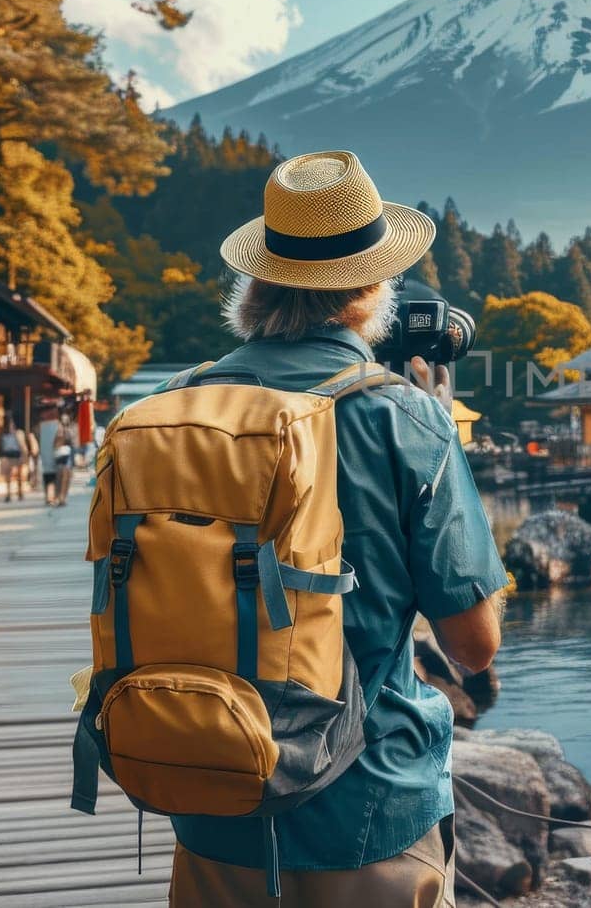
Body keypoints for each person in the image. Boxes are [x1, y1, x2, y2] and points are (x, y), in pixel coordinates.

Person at [166, 150, 508, 907]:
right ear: (370, 291)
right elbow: (473, 644)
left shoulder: (176, 405)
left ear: (257, 281)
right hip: (367, 810)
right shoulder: (404, 417)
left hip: (208, 797)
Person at [0, 412, 29, 502]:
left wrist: (24, 455)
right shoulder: (3, 434)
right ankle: (8, 493)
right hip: (7, 455)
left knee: (19, 475)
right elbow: (2, 446)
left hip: (17, 454)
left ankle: (20, 492)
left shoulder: (18, 433)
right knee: (8, 475)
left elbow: (22, 445)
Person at [37, 403, 62, 505]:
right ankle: (50, 496)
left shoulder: (55, 424)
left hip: (51, 452)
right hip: (46, 452)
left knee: (52, 475)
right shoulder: (44, 425)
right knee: (49, 475)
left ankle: (52, 496)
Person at [53, 408, 78, 506]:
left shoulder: (72, 428)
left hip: (69, 454)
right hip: (61, 454)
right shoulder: (58, 428)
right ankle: (59, 496)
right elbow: (56, 443)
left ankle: (63, 497)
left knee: (67, 477)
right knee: (60, 476)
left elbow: (74, 442)